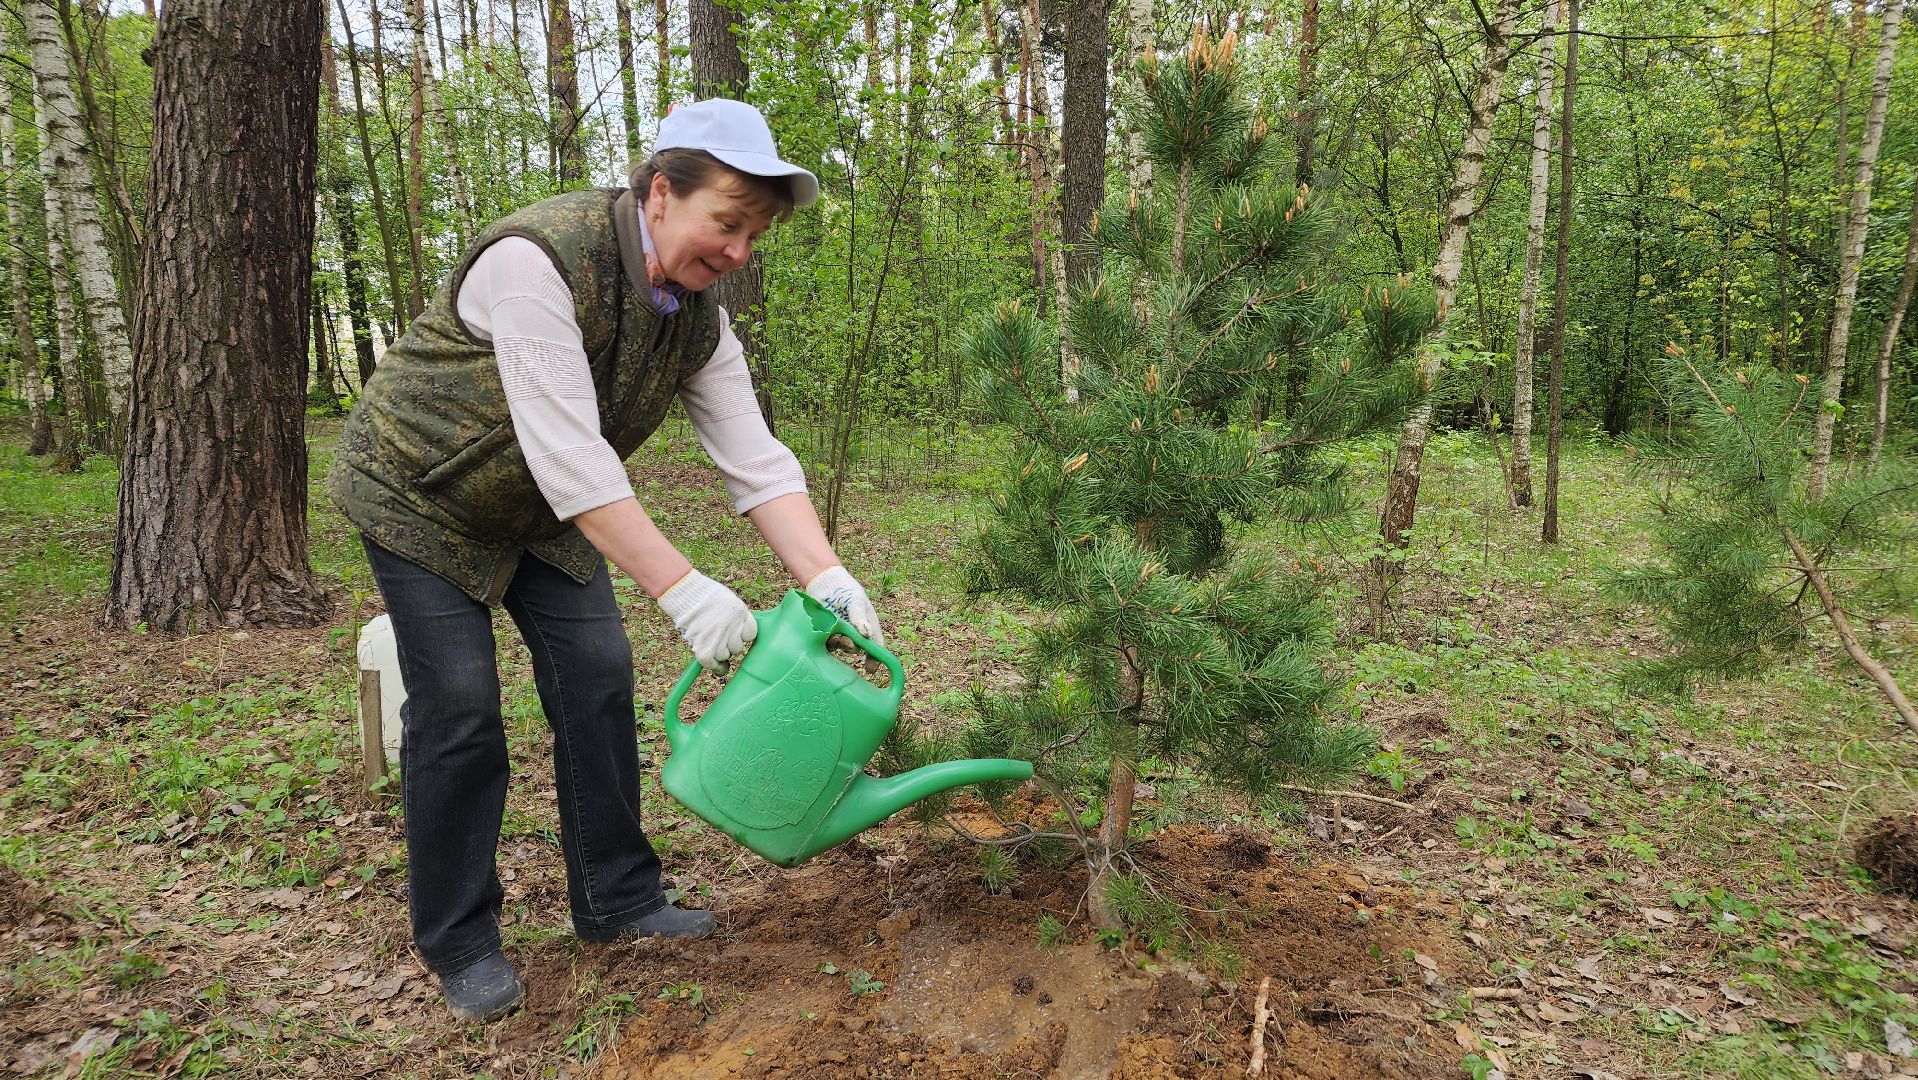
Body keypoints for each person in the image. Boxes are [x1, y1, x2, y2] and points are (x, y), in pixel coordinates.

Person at [327, 99, 883, 1022]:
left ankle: (618, 899)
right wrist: (683, 587)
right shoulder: (536, 260)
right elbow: (572, 457)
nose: (740, 252)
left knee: (597, 673)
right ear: (662, 192)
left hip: (541, 511)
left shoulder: (695, 320)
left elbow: (754, 456)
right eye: (729, 222)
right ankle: (460, 939)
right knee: (460, 706)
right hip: (420, 493)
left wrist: (823, 574)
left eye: (756, 234)